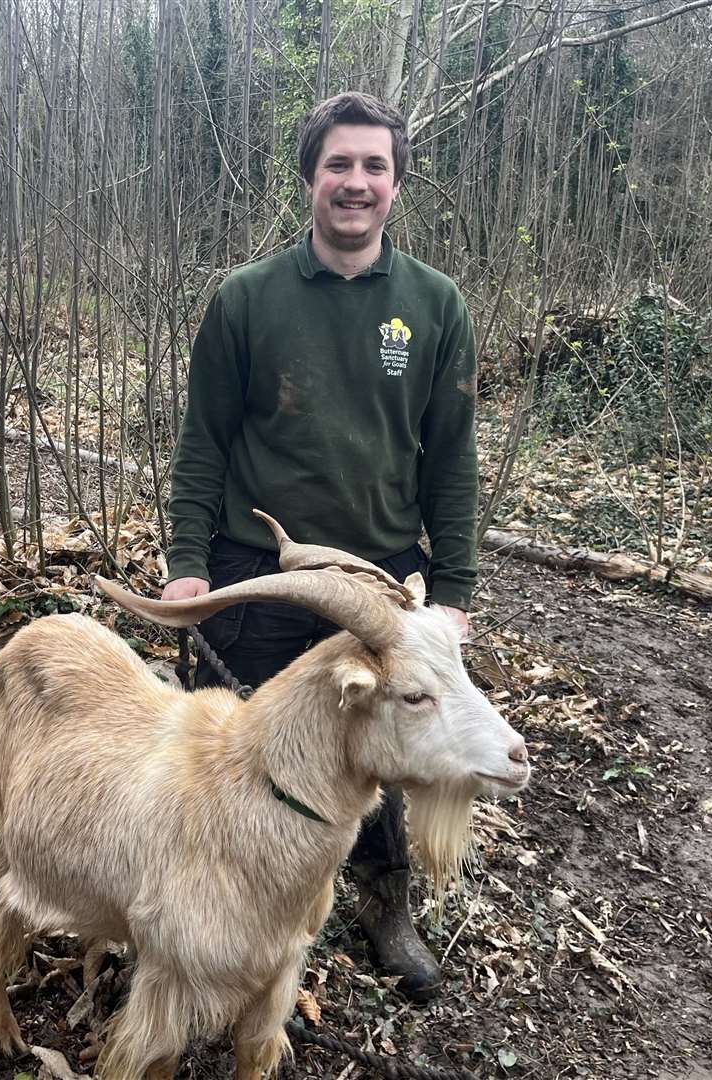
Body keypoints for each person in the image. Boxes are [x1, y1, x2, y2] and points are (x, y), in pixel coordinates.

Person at [161, 91, 479, 1001]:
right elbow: (202, 446)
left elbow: (452, 458)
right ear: (308, 177)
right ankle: (204, 918)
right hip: (252, 575)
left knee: (377, 750)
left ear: (396, 186)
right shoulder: (245, 300)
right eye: (338, 164)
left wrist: (451, 586)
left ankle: (383, 907)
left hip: (378, 583)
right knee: (227, 760)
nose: (355, 183)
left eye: (374, 167)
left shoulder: (433, 305)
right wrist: (188, 564)